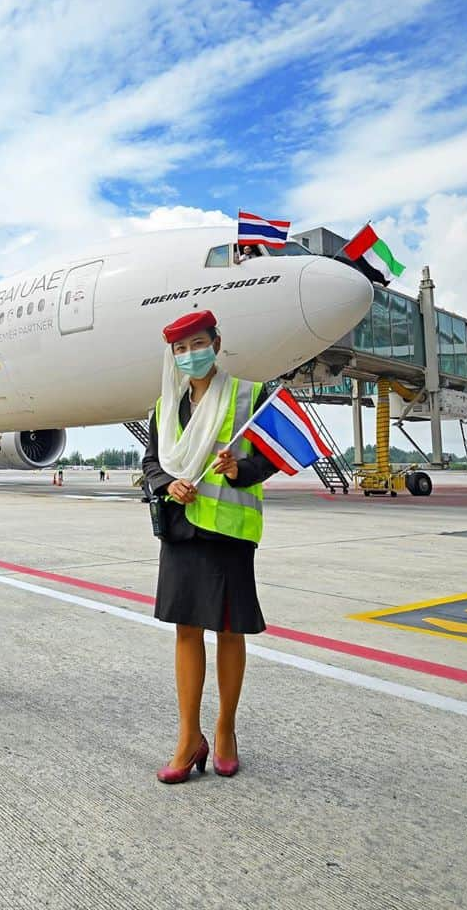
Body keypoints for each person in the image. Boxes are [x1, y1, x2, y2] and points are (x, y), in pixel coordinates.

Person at [141, 310, 277, 783]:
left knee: (229, 630)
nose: (189, 355)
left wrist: (242, 470)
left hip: (228, 531)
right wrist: (167, 484)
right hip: (181, 532)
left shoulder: (249, 395)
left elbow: (271, 458)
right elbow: (151, 464)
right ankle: (188, 736)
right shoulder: (165, 407)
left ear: (216, 344)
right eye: (180, 349)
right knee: (185, 631)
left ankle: (224, 730)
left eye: (197, 344)